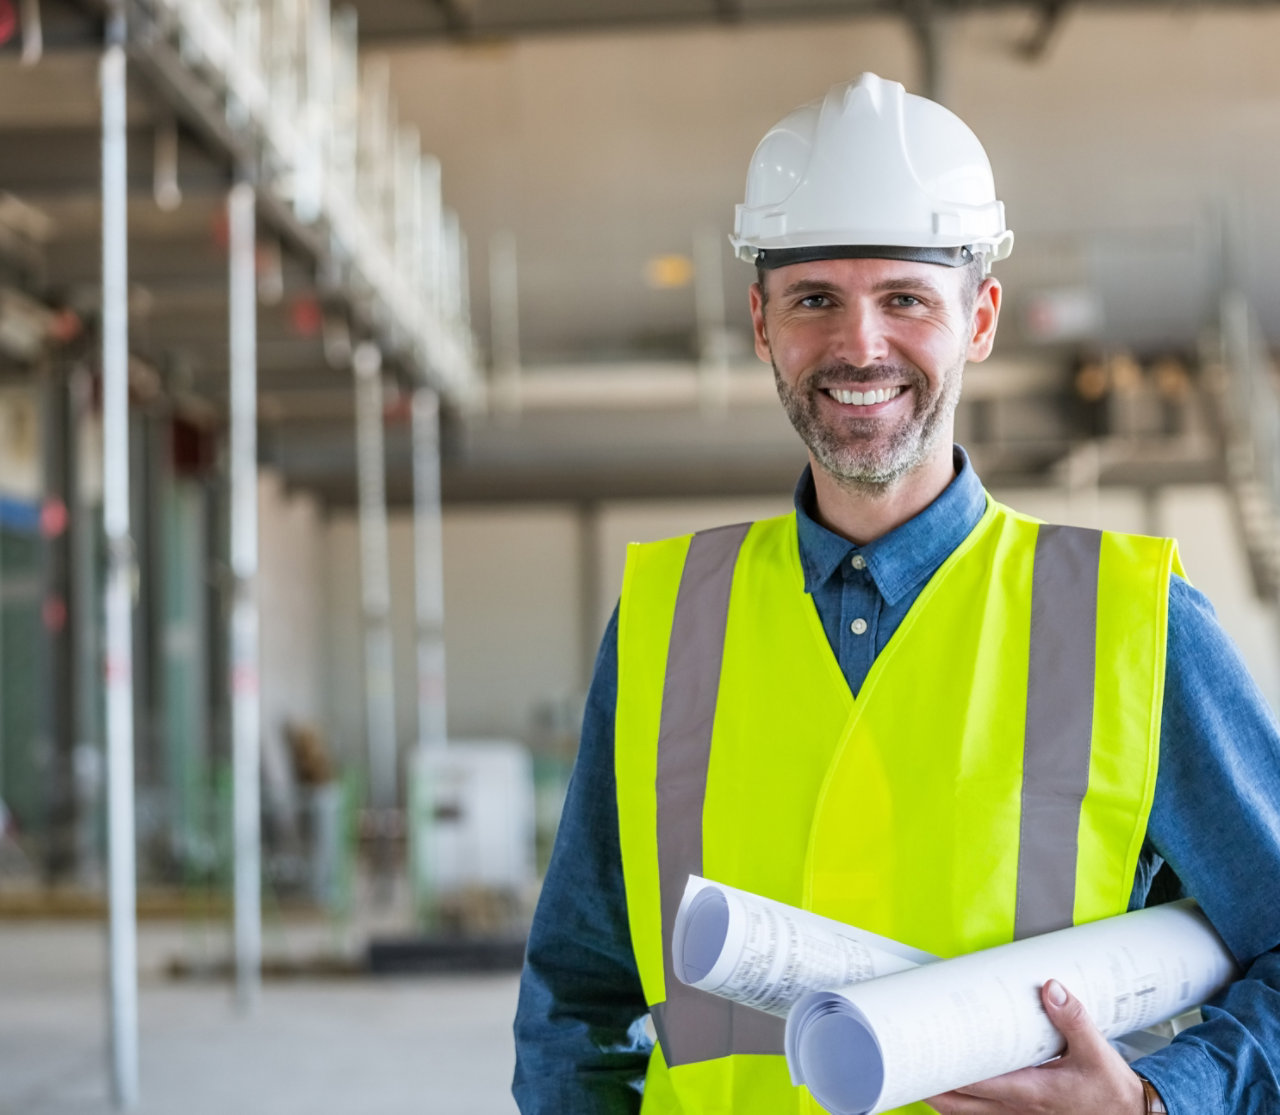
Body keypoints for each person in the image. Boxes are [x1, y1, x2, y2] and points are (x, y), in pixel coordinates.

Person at [512, 72, 1280, 1115]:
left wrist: (1156, 1097)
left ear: (980, 318)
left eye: (904, 298)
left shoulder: (1131, 622)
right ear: (760, 320)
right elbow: (576, 994)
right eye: (814, 298)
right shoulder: (663, 620)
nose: (859, 345)